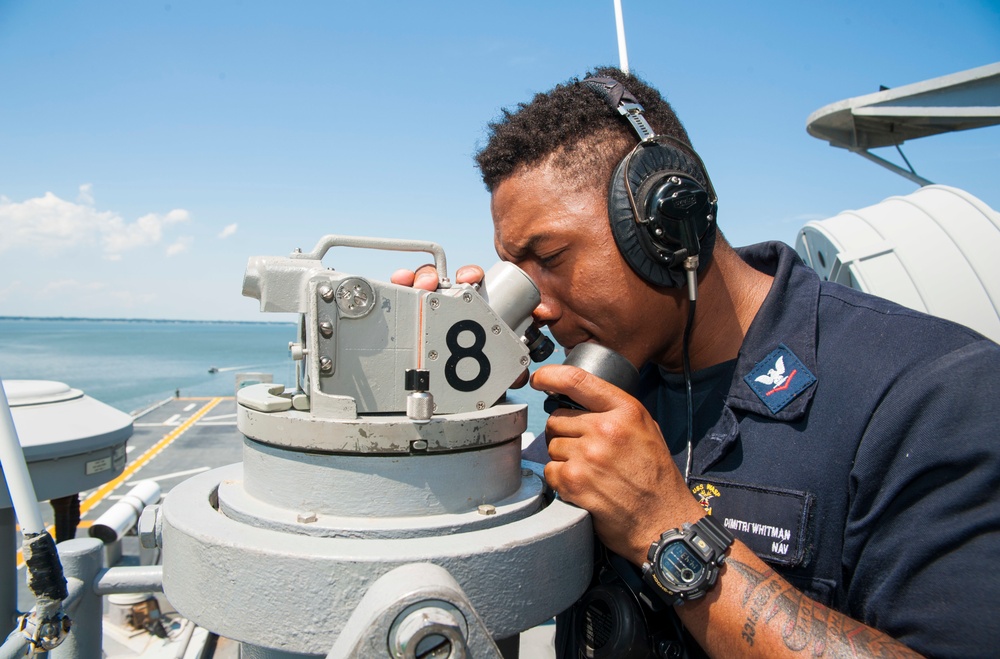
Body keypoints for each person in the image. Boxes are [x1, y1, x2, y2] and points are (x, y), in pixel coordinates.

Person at [393, 67, 1000, 658]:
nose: (539, 305)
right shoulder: (608, 384)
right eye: (518, 274)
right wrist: (440, 391)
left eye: (549, 256)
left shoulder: (935, 392)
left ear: (664, 222)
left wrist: (667, 530)